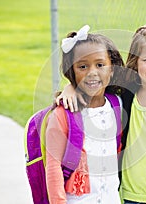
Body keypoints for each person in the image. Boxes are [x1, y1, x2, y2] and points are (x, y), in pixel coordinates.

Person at [57, 24, 146, 204]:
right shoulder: (125, 96)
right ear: (136, 61)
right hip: (130, 196)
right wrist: (70, 87)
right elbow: (97, 83)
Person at [45, 25, 125, 204]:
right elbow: (53, 167)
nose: (92, 73)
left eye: (100, 65)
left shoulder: (118, 105)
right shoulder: (62, 115)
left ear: (112, 70)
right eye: (83, 66)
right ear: (72, 72)